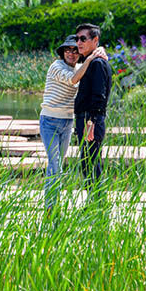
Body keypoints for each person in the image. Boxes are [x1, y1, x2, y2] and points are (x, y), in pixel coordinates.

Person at [40, 35, 107, 212]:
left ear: (79, 54)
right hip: (50, 121)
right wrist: (92, 57)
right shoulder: (56, 66)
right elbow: (73, 79)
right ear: (62, 52)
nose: (71, 53)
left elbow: (88, 76)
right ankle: (50, 207)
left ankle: (55, 204)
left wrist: (99, 53)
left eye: (75, 50)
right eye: (67, 50)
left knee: (59, 164)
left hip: (68, 122)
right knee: (55, 166)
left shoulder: (80, 67)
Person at [73, 23, 113, 192]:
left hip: (91, 119)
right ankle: (94, 204)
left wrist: (91, 122)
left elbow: (99, 96)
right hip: (86, 118)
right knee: (88, 163)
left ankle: (96, 204)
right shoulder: (91, 61)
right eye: (77, 39)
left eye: (83, 38)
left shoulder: (97, 63)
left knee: (90, 164)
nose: (78, 43)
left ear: (95, 40)